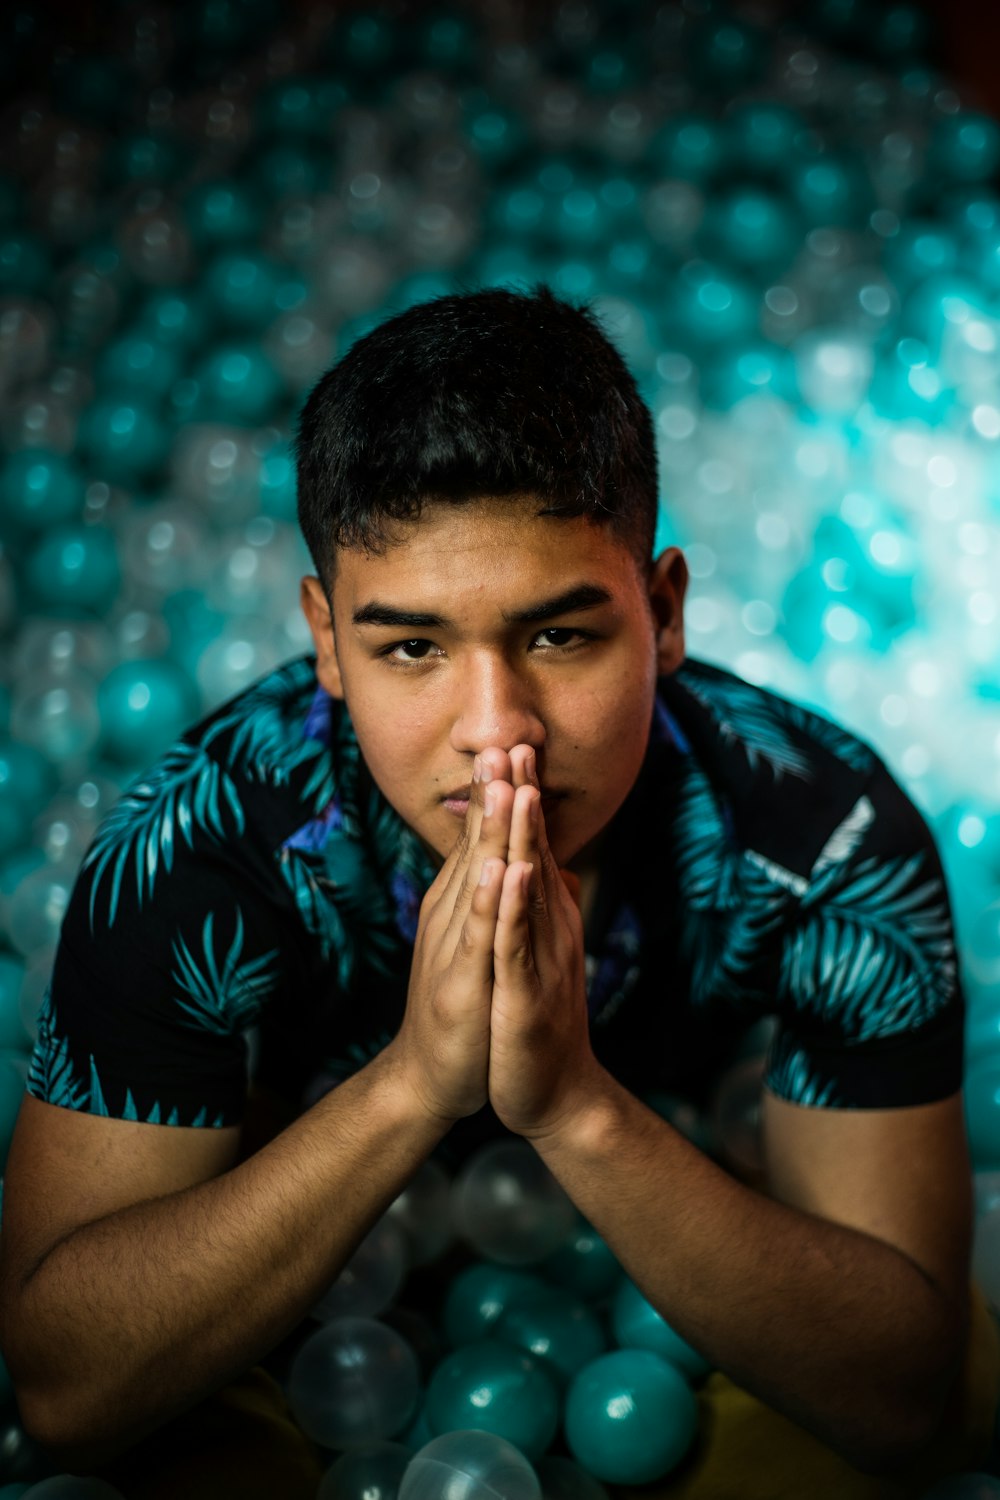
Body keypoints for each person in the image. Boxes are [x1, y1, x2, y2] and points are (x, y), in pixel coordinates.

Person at [0, 287, 994, 1500]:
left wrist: (574, 1105)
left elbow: (909, 1399)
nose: (495, 735)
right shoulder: (198, 848)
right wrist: (414, 1084)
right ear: (323, 638)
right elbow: (60, 1398)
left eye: (561, 638)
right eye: (411, 648)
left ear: (663, 611)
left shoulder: (826, 838)